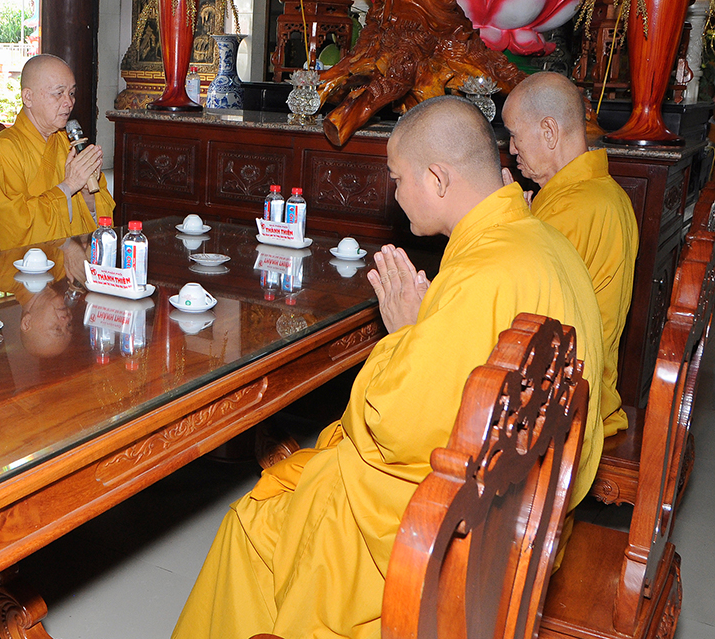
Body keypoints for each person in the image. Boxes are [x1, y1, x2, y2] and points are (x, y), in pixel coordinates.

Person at [172, 96, 604, 639]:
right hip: (530, 509)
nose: (395, 196)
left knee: (257, 523)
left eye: (398, 179)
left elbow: (392, 425)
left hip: (462, 534)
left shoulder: (481, 274)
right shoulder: (546, 241)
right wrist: (426, 332)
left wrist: (403, 335)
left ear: (437, 179)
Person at [502, 71, 638, 436]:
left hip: (566, 407)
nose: (511, 149)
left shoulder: (572, 209)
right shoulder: (603, 192)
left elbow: (519, 316)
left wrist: (507, 229)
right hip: (589, 387)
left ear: (549, 131)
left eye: (514, 135)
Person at [0, 54, 115, 251]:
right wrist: (69, 186)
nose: (69, 102)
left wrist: (87, 193)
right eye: (58, 93)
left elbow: (102, 220)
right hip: (25, 265)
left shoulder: (66, 142)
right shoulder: (3, 150)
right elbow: (14, 230)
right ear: (28, 97)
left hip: (74, 260)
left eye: (71, 93)